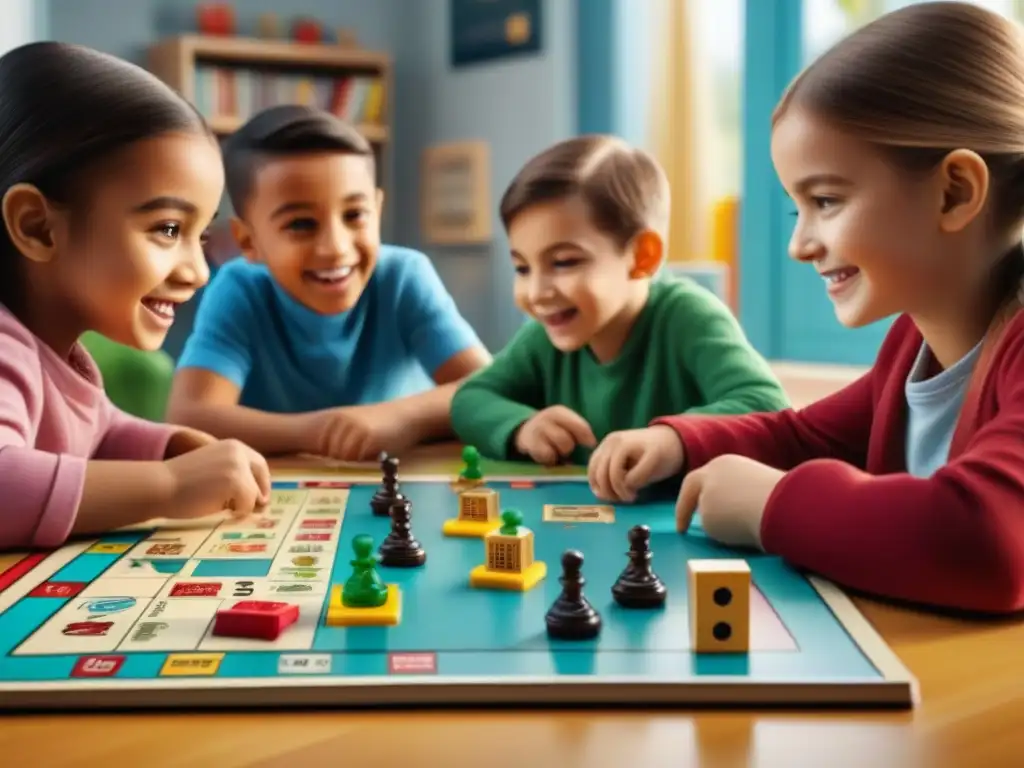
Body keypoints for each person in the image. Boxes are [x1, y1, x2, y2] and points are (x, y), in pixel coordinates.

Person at [588, 2, 1024, 614]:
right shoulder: (912, 346)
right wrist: (681, 445)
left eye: (826, 200)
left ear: (954, 192)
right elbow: (805, 436)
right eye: (799, 209)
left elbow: (988, 543)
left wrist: (773, 506)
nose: (799, 245)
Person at [0, 42, 271, 551]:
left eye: (201, 237)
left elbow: (96, 433)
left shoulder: (59, 354)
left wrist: (169, 447)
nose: (197, 271)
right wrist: (170, 486)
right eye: (168, 229)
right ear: (37, 226)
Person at [167, 105, 491, 460]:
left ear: (377, 211)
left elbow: (492, 389)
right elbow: (191, 417)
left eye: (354, 215)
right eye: (301, 224)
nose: (336, 248)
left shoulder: (404, 276)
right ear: (249, 241)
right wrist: (319, 431)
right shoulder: (240, 290)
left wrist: (400, 418)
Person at [450, 135, 788, 465]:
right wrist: (522, 427)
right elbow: (470, 399)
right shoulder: (543, 337)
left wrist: (671, 437)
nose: (536, 293)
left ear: (642, 256)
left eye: (564, 262)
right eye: (522, 267)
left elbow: (767, 406)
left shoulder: (689, 317)